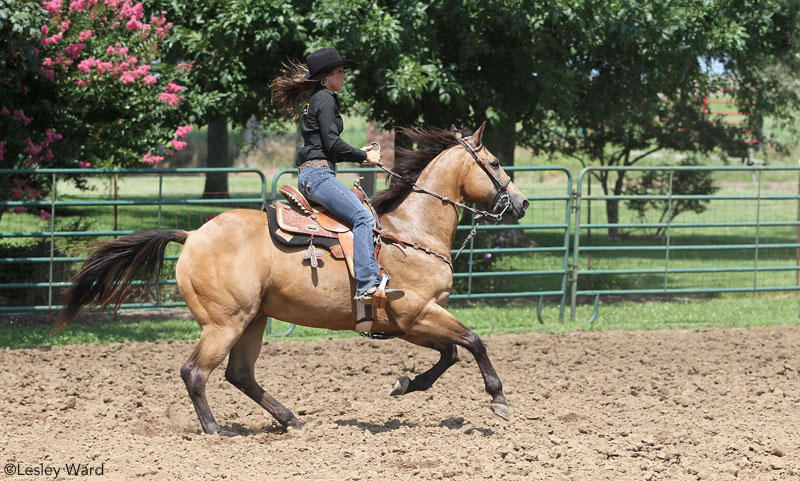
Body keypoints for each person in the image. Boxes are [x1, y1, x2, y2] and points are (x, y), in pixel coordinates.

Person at [270, 46, 402, 305]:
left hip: (313, 173)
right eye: (340, 72)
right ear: (326, 77)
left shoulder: (316, 99)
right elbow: (332, 144)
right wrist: (364, 157)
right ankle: (368, 285)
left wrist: (356, 152)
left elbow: (326, 145)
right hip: (318, 175)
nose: (344, 76)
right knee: (363, 217)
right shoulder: (327, 99)